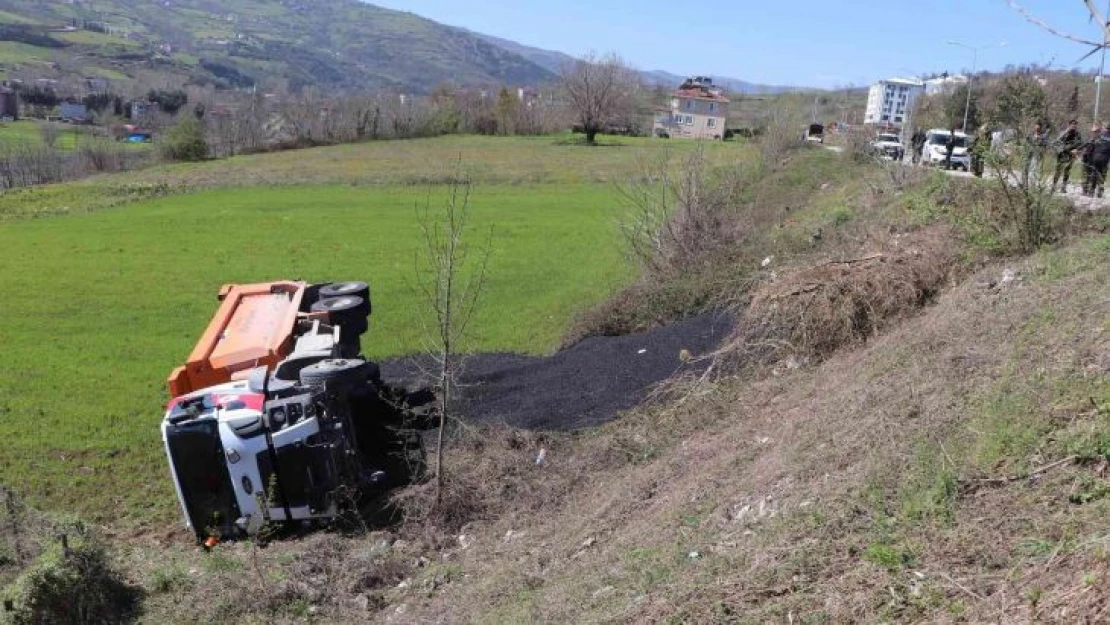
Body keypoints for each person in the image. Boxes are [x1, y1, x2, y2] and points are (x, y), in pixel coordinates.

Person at [1051, 119, 1083, 193]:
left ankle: (1063, 187)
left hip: (1071, 155)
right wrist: (1064, 149)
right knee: (1058, 171)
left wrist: (1076, 150)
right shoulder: (1064, 133)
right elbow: (1057, 142)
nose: (1074, 126)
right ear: (1069, 125)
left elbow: (1080, 144)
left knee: (1067, 171)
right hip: (1062, 154)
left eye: (1075, 124)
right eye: (1072, 124)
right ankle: (1053, 186)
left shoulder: (1077, 134)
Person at [1087, 125, 1110, 198]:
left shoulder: (1099, 136)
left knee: (1094, 174)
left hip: (1095, 158)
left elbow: (1090, 144)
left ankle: (1091, 191)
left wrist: (1087, 155)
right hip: (1104, 159)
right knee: (1102, 176)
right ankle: (1100, 192)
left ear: (1106, 129)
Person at [1081, 122, 1103, 196]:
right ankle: (1084, 190)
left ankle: (1091, 191)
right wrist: (1081, 151)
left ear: (1099, 131)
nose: (1095, 133)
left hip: (1095, 161)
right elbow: (1083, 146)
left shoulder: (1101, 141)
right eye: (1093, 131)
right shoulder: (1089, 139)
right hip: (1087, 160)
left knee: (1094, 176)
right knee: (1086, 175)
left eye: (1096, 131)